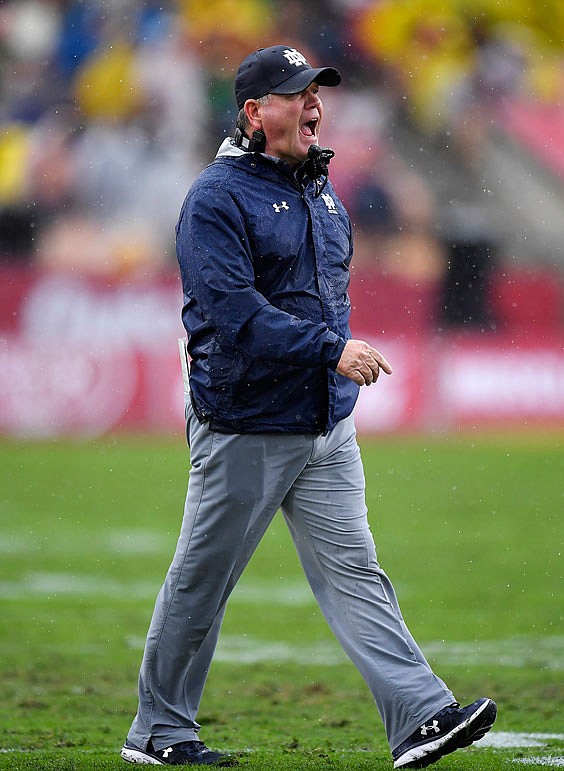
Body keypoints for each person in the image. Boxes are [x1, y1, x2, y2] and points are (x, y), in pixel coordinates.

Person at [120, 44, 497, 769]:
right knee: (202, 582)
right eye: (296, 94)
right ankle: (157, 729)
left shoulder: (321, 190)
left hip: (325, 423)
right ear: (255, 113)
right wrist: (332, 350)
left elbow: (319, 292)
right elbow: (234, 312)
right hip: (247, 424)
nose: (314, 105)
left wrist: (331, 368)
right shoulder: (216, 198)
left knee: (357, 571)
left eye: (316, 92)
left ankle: (420, 715)